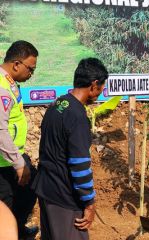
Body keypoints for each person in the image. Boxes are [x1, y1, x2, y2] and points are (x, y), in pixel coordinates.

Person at [31, 58, 108, 240]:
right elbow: (80, 165)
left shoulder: (57, 105)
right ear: (94, 85)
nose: (101, 93)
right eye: (101, 88)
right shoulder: (78, 117)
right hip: (64, 198)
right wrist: (89, 203)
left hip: (46, 190)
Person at [0, 40, 39, 238]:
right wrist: (18, 164)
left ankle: (19, 229)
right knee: (5, 204)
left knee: (29, 192)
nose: (31, 74)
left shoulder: (9, 82)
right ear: (16, 64)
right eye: (30, 69)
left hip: (13, 156)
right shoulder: (1, 87)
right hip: (3, 163)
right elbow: (0, 131)